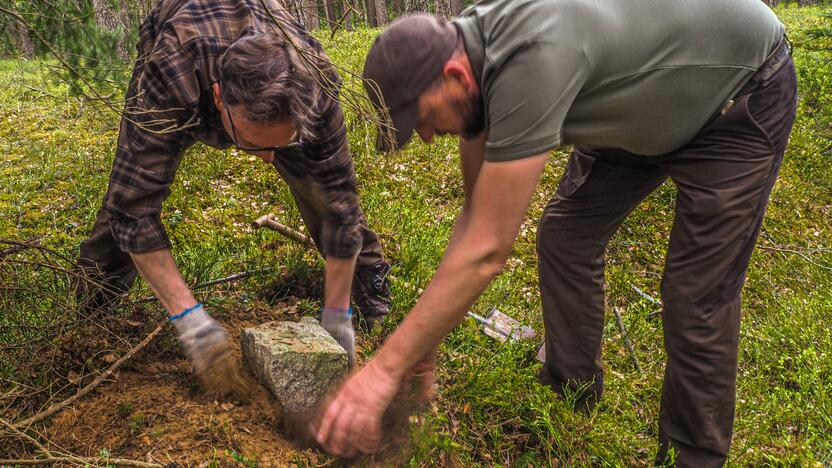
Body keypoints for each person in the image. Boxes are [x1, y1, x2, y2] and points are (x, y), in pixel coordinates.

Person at [313, 0, 797, 464]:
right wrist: (423, 344)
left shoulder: (531, 60)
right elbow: (474, 218)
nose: (423, 135)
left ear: (454, 76)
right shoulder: (470, 59)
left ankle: (691, 458)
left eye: (420, 118)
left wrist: (383, 372)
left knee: (696, 295)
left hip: (738, 100)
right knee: (566, 237)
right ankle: (572, 387)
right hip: (642, 107)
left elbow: (487, 250)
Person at [74, 0, 392, 391]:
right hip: (182, 39)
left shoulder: (315, 81)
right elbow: (132, 208)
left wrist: (337, 314)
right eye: (254, 144)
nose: (267, 160)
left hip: (263, 37)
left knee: (323, 193)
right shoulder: (171, 72)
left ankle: (369, 297)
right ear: (220, 99)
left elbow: (342, 202)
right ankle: (90, 311)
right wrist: (192, 322)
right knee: (127, 196)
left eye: (281, 143)